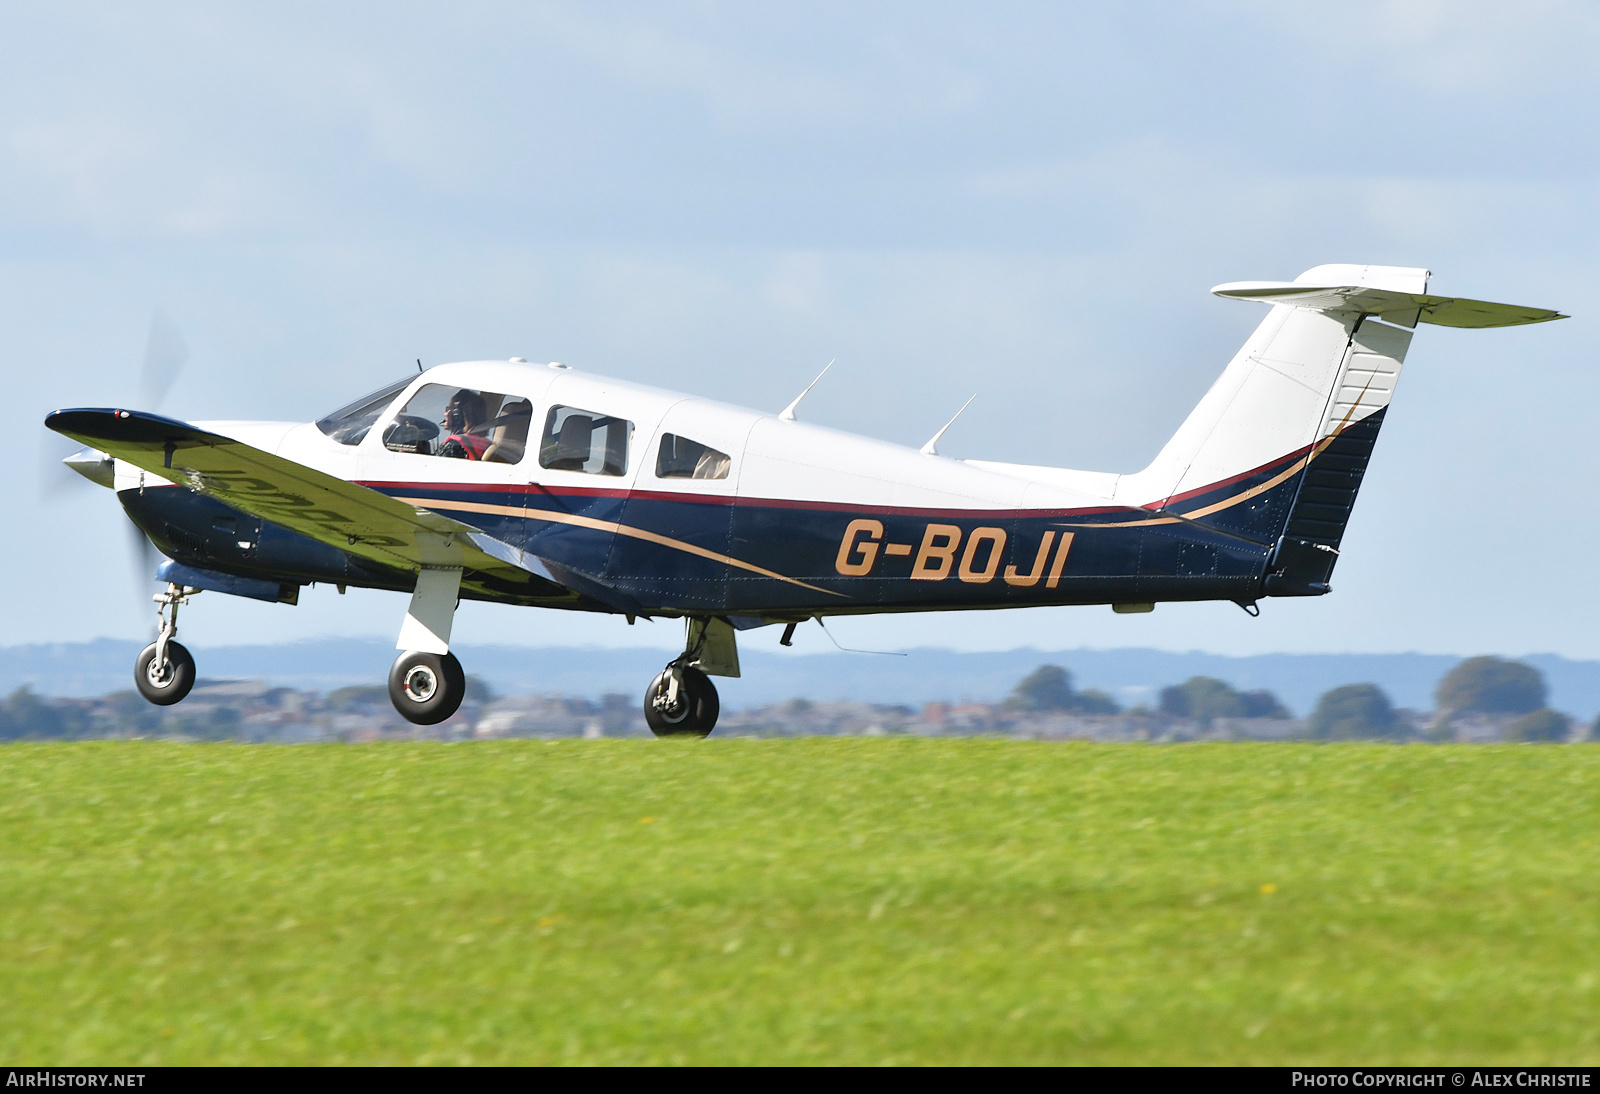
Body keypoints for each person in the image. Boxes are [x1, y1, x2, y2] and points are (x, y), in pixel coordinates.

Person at [436, 390, 490, 460]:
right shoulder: (485, 444)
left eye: (449, 409)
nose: (445, 414)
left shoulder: (455, 444)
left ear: (457, 415)